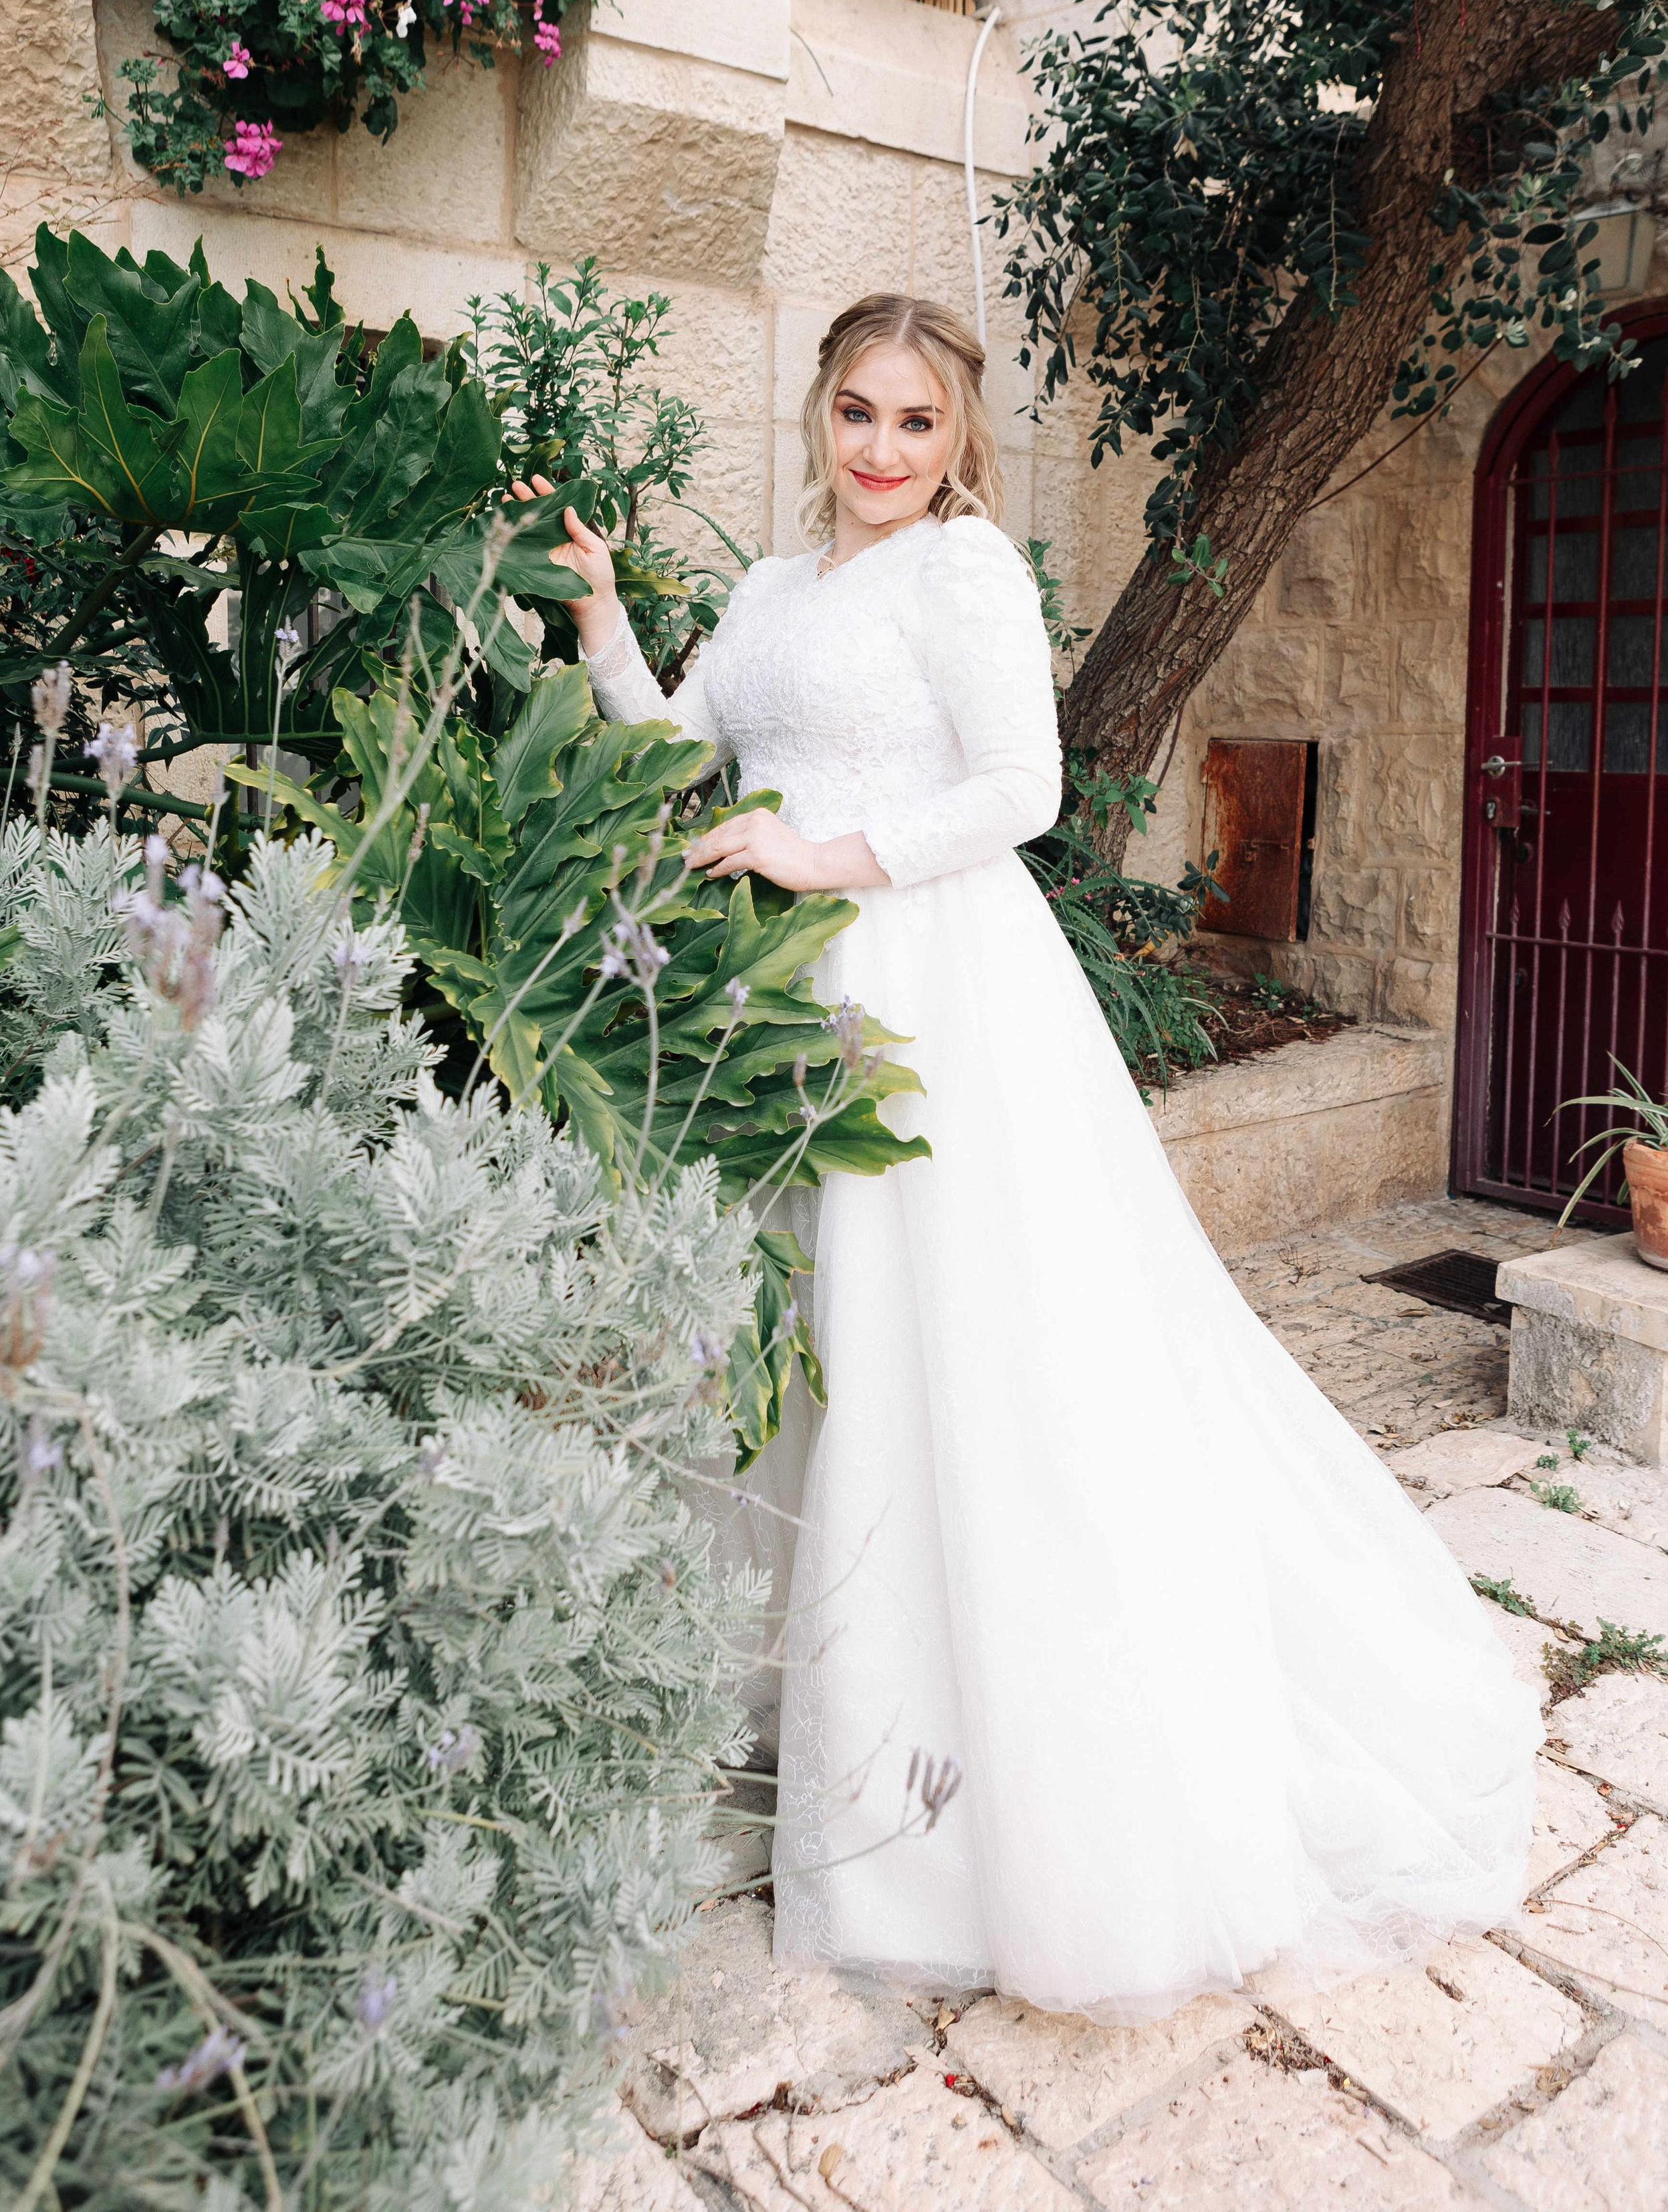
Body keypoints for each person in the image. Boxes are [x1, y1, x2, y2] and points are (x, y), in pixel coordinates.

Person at [531, 292, 1540, 2026]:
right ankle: (808, 1716)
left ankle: (966, 1799)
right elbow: (686, 758)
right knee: (804, 1349)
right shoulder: (777, 593)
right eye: (857, 412)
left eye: (915, 423)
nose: (878, 449)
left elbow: (1020, 788)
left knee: (963, 1365)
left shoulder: (968, 578)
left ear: (958, 440)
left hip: (929, 993)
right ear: (822, 414)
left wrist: (825, 854)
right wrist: (612, 623)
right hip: (780, 1018)